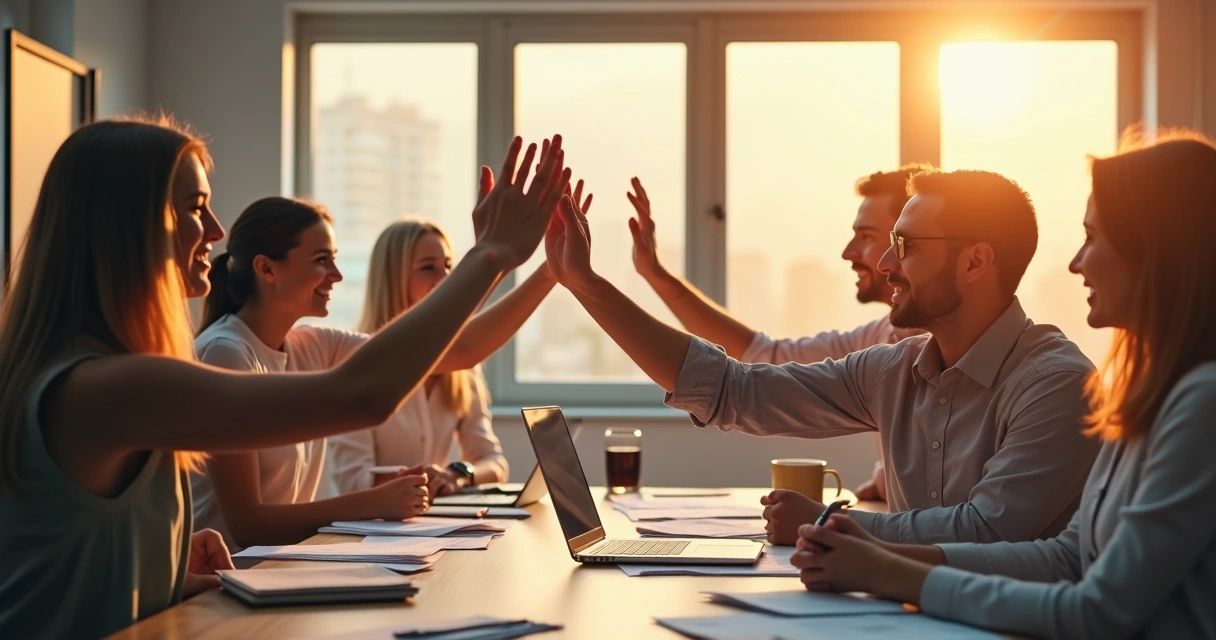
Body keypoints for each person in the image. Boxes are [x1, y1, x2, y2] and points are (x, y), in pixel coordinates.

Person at [0, 117, 568, 638]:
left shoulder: (110, 378)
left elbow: (455, 349)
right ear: (129, 224)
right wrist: (490, 253)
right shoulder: (110, 386)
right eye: (196, 208)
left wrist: (163, 568)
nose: (216, 230)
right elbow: (364, 396)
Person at [789, 130, 1216, 640]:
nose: (1076, 262)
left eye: (1093, 237)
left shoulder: (1202, 403)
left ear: (1155, 252)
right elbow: (1067, 558)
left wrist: (890, 573)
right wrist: (878, 555)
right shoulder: (1147, 396)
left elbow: (1099, 612)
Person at [544, 169, 1099, 546]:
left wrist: (831, 524)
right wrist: (587, 284)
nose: (885, 263)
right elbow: (736, 390)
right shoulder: (892, 369)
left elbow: (988, 533)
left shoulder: (1055, 383)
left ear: (975, 262)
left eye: (905, 246)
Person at [626, 168, 932, 500]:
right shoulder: (880, 339)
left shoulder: (955, 356)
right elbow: (763, 356)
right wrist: (655, 273)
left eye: (867, 236)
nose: (848, 252)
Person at [328, 185, 591, 497]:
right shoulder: (357, 360)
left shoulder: (462, 369)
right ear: (392, 278)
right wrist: (425, 480)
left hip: (431, 519)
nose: (445, 279)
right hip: (371, 525)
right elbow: (352, 481)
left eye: (448, 266)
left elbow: (493, 462)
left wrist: (458, 474)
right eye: (428, 268)